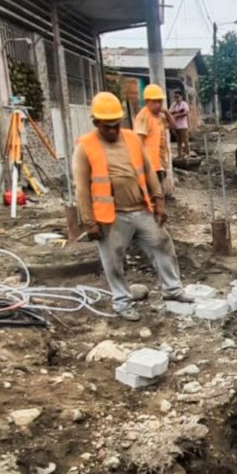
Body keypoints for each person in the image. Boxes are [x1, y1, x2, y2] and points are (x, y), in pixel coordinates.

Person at [74, 92, 192, 321]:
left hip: (140, 209)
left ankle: (173, 290)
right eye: (106, 126)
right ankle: (122, 302)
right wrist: (89, 222)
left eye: (115, 125)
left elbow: (148, 172)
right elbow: (81, 189)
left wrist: (158, 201)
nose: (112, 130)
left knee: (162, 244)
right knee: (113, 259)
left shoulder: (131, 139)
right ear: (96, 122)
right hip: (111, 216)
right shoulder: (85, 147)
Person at [134, 83, 174, 185]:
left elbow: (174, 126)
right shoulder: (144, 117)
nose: (158, 104)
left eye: (160, 101)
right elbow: (138, 143)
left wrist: (166, 112)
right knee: (153, 195)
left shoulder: (159, 116)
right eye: (154, 101)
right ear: (147, 101)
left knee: (158, 194)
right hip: (149, 166)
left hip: (159, 163)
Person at [169, 90, 191, 160]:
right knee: (178, 141)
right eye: (175, 97)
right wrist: (176, 113)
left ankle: (187, 154)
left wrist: (177, 115)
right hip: (176, 126)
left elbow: (186, 113)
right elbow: (170, 112)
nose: (176, 98)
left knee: (185, 140)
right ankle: (179, 155)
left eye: (177, 97)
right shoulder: (173, 104)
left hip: (183, 125)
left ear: (181, 97)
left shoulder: (184, 104)